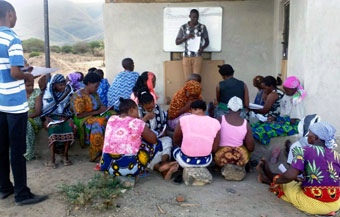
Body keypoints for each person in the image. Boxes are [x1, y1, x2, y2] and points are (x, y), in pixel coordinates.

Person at [0, 1, 48, 205]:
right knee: (17, 150)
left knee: (1, 148)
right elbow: (15, 72)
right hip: (14, 104)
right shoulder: (12, 37)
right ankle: (21, 193)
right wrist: (29, 77)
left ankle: (4, 187)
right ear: (9, 14)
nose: (16, 18)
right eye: (16, 14)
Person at [257, 122, 340, 215]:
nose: (307, 135)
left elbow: (289, 176)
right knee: (297, 181)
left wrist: (277, 181)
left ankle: (267, 178)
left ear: (316, 138)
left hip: (315, 205)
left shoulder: (304, 150)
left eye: (310, 134)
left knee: (286, 184)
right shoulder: (336, 155)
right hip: (336, 204)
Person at [100, 98, 163, 178]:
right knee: (157, 143)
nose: (138, 114)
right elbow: (153, 140)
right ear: (131, 110)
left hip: (106, 166)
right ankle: (140, 170)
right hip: (129, 169)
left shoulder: (111, 119)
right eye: (137, 110)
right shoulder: (137, 122)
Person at [71, 73, 115, 161]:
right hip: (83, 119)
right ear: (89, 83)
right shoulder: (78, 96)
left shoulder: (94, 94)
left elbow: (99, 106)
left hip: (96, 115)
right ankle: (95, 154)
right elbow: (79, 115)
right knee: (99, 122)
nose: (97, 88)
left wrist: (106, 109)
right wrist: (98, 111)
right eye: (96, 86)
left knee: (114, 115)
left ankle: (113, 148)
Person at [252, 76, 304, 145]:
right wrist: (274, 118)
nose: (285, 92)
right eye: (284, 89)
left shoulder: (297, 99)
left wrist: (276, 123)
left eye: (287, 90)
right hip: (282, 120)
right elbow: (281, 109)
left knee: (265, 128)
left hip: (292, 125)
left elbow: (293, 120)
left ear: (294, 89)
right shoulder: (287, 95)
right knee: (257, 125)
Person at [137, 91, 176, 180]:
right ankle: (162, 169)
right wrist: (145, 118)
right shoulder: (138, 111)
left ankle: (164, 164)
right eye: (148, 108)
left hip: (157, 138)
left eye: (152, 106)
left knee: (167, 140)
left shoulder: (158, 108)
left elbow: (164, 124)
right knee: (145, 154)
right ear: (142, 105)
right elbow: (136, 128)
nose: (151, 109)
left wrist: (163, 132)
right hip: (144, 142)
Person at [41, 74, 75, 168]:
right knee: (52, 129)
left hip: (64, 116)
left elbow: (69, 107)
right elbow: (45, 108)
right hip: (51, 117)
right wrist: (47, 117)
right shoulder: (48, 93)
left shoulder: (68, 91)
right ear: (54, 85)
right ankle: (52, 159)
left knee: (69, 126)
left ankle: (65, 156)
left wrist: (67, 117)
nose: (63, 87)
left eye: (64, 84)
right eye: (60, 85)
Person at [173, 100, 221, 168]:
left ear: (191, 109)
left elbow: (176, 139)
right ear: (205, 110)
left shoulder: (184, 119)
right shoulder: (215, 122)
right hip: (205, 161)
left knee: (175, 148)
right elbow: (214, 148)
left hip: (185, 160)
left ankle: (176, 166)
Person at [214, 97, 254, 169]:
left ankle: (219, 167)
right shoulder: (245, 123)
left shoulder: (220, 119)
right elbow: (251, 148)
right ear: (241, 109)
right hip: (239, 158)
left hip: (222, 157)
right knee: (246, 151)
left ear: (228, 108)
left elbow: (214, 139)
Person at [175, 9, 209, 80]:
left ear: (198, 17)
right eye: (193, 17)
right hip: (186, 56)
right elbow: (177, 42)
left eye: (196, 17)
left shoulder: (202, 27)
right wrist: (185, 37)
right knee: (187, 80)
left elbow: (207, 41)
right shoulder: (183, 27)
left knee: (196, 80)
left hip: (197, 56)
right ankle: (188, 91)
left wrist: (202, 48)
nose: (195, 19)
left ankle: (196, 91)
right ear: (189, 16)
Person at [24, 74, 43, 160]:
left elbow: (38, 111)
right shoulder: (19, 94)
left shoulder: (37, 93)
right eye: (28, 86)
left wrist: (25, 117)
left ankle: (29, 153)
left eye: (32, 85)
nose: (31, 87)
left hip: (34, 118)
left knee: (26, 124)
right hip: (21, 117)